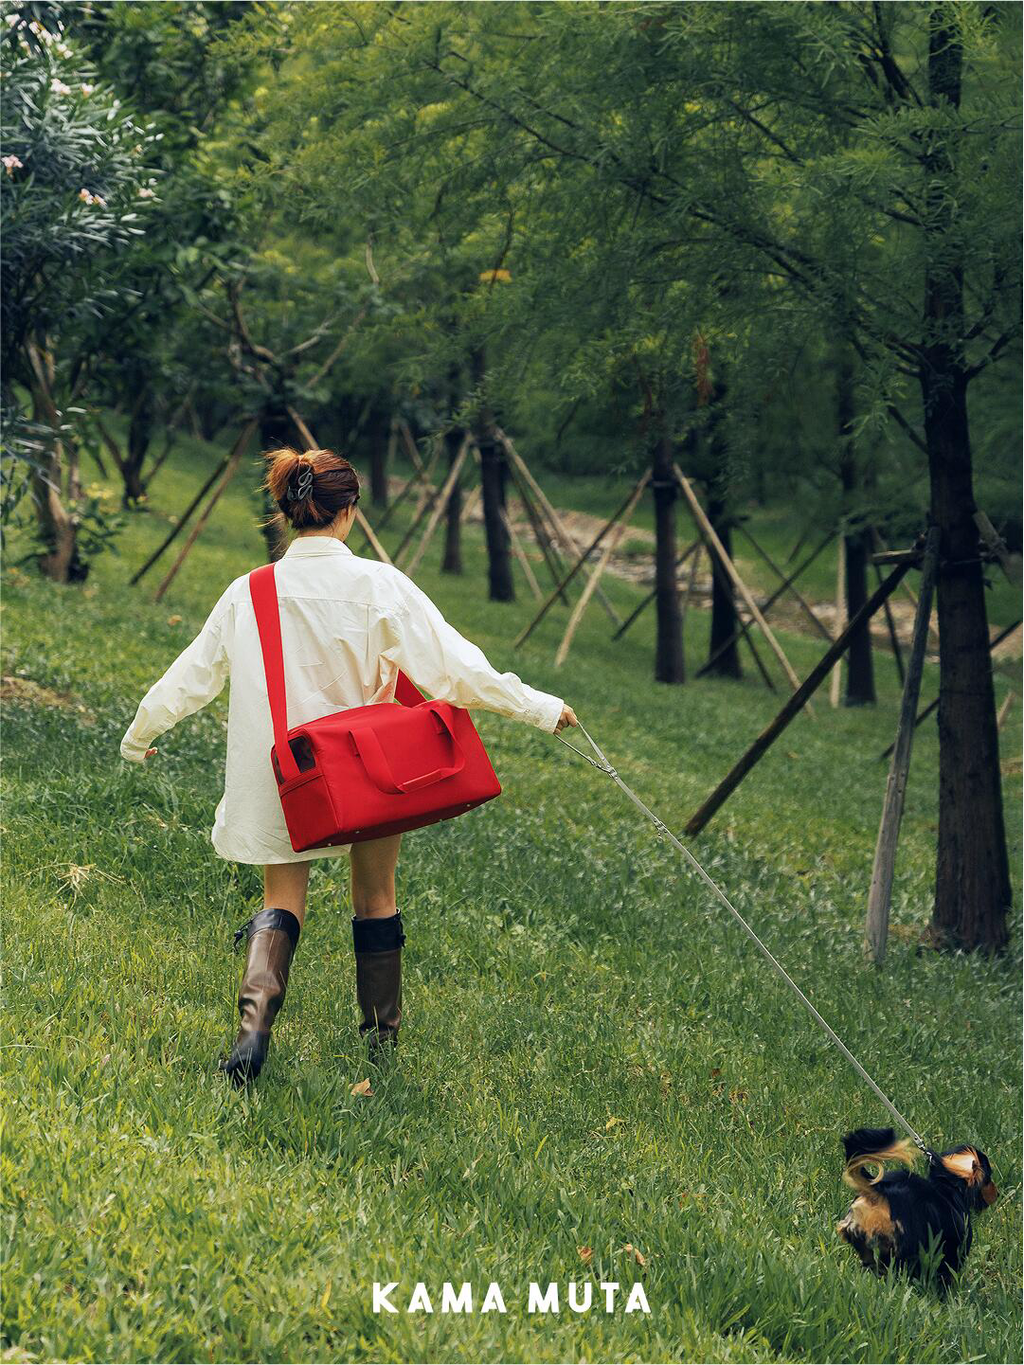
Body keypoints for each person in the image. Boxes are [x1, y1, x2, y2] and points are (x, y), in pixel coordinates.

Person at [120, 445, 578, 1085]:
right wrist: (540, 707)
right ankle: (381, 1046)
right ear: (348, 513)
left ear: (287, 512)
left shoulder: (250, 591)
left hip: (285, 776)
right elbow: (456, 669)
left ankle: (252, 1038)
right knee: (375, 894)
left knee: (282, 899)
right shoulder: (379, 585)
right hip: (369, 773)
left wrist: (140, 735)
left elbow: (192, 675)